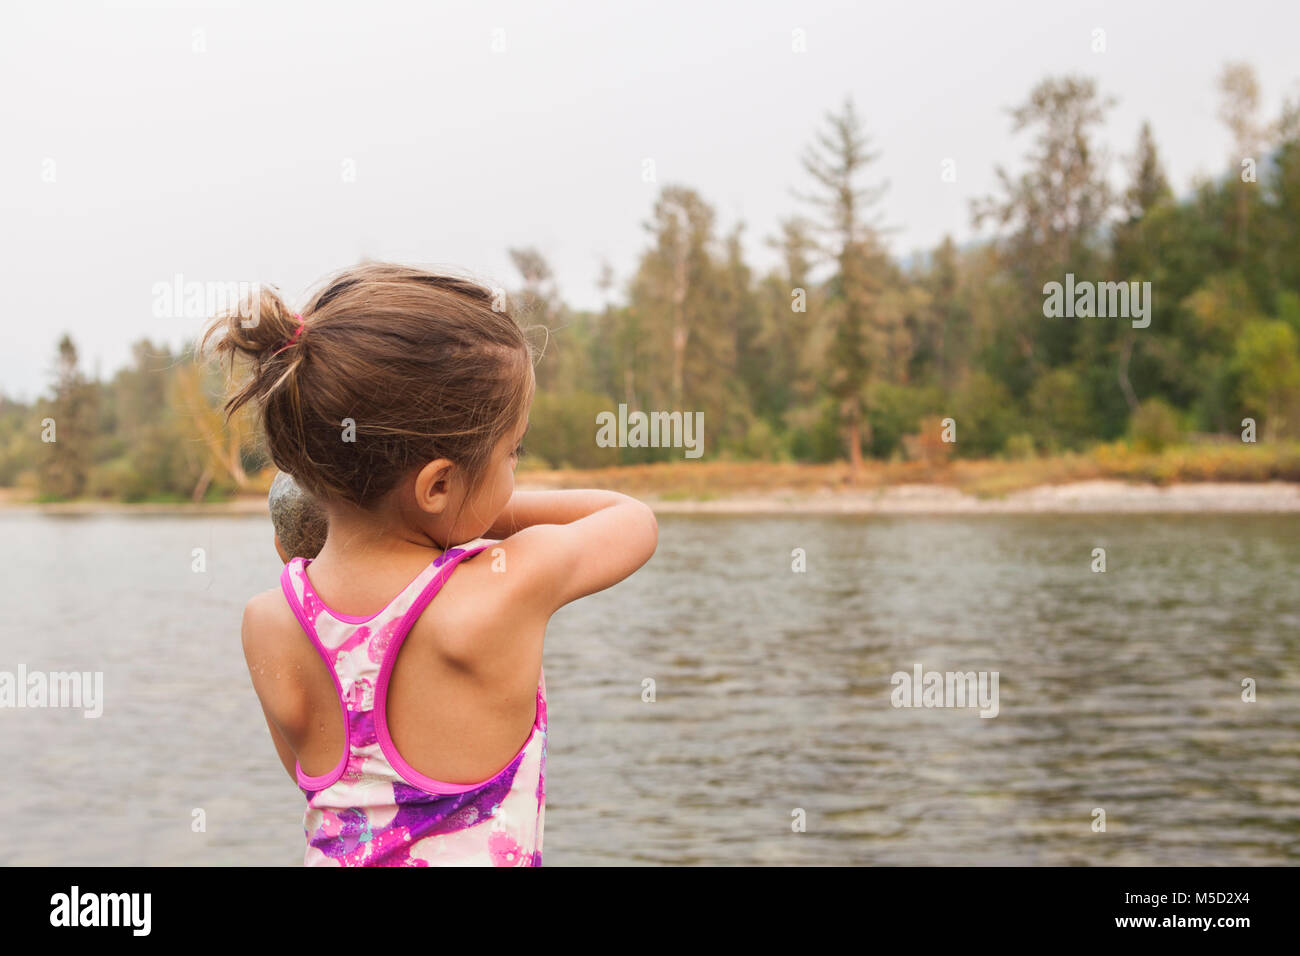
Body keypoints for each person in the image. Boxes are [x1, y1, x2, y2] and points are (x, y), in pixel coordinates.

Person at [204, 263, 658, 865]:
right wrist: (483, 514)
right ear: (437, 485)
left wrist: (442, 506)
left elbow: (318, 780)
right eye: (511, 453)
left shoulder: (269, 620)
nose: (514, 469)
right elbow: (632, 520)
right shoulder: (495, 592)